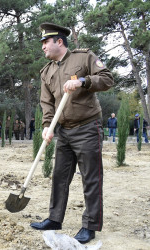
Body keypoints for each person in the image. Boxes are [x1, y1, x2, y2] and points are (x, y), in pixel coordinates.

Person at [29, 23, 114, 244]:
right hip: (63, 131)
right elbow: (46, 103)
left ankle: (90, 225)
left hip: (87, 127)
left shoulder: (83, 58)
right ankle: (55, 219)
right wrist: (47, 126)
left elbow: (107, 79)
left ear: (59, 41)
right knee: (59, 177)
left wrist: (83, 81)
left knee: (91, 178)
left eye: (45, 42)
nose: (42, 48)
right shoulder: (46, 72)